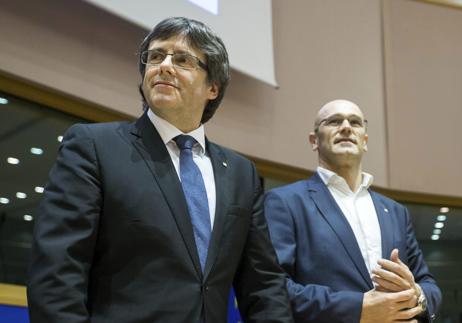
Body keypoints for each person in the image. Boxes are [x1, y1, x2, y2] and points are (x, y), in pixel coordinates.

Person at [27, 17, 293, 323]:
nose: (164, 66)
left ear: (213, 87)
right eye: (155, 56)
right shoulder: (94, 147)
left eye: (182, 59)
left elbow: (264, 286)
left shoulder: (240, 173)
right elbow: (57, 271)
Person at [264, 99, 442, 322]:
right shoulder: (285, 202)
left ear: (365, 140)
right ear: (314, 140)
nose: (346, 127)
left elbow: (428, 284)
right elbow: (273, 287)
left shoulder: (395, 211)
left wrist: (416, 296)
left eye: (355, 122)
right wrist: (358, 309)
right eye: (334, 121)